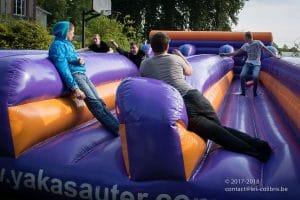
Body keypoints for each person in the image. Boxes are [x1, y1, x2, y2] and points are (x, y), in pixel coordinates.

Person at [140, 32, 272, 162]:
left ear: (152, 46)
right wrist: (181, 55)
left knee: (218, 134)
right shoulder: (175, 59)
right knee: (219, 130)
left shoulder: (145, 64)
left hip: (180, 104)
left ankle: (256, 151)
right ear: (167, 46)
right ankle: (259, 145)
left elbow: (147, 79)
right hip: (194, 96)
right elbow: (189, 71)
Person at [48, 21, 119, 135]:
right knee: (95, 103)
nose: (73, 34)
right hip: (76, 77)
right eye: (72, 32)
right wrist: (74, 88)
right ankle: (117, 130)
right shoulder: (57, 46)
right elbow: (63, 67)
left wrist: (78, 61)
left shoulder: (68, 44)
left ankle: (116, 124)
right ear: (66, 32)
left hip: (82, 75)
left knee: (100, 101)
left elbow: (70, 59)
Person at [220, 31, 280, 97]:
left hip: (256, 64)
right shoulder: (246, 45)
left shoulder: (258, 43)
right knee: (242, 75)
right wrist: (225, 54)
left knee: (255, 77)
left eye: (244, 37)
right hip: (248, 63)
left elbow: (266, 50)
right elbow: (236, 53)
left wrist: (275, 56)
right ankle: (243, 92)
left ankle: (255, 93)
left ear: (248, 37)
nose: (244, 39)